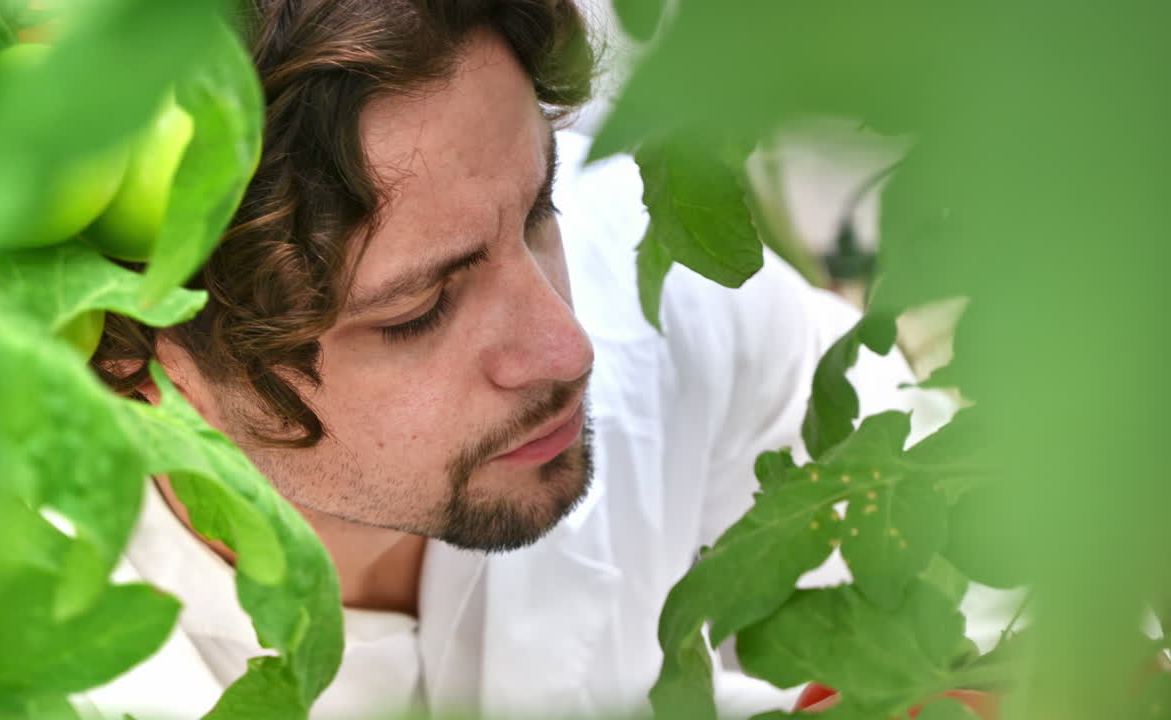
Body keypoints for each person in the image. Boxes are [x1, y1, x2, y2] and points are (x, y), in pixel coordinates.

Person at [80, 1, 951, 718]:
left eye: (539, 209)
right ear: (136, 356)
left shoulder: (661, 299)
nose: (565, 346)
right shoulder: (25, 657)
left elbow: (955, 526)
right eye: (418, 312)